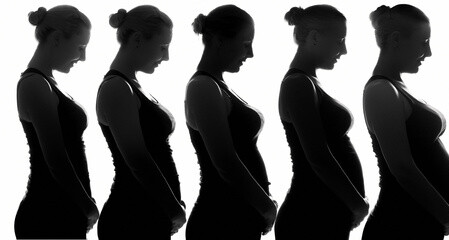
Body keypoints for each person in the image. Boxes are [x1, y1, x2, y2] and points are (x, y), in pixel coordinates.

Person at [361, 4, 449, 240]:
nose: (428, 53)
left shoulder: (397, 88)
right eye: (423, 42)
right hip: (398, 225)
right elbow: (402, 167)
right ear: (396, 39)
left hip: (417, 223)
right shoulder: (381, 90)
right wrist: (446, 214)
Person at [275, 5, 369, 240]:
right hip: (310, 216)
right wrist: (357, 203)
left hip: (324, 213)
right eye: (340, 40)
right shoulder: (298, 83)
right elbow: (317, 156)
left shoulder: (309, 82)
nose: (344, 50)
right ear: (315, 37)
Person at [185, 5, 277, 239]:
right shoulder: (203, 87)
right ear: (218, 41)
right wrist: (266, 206)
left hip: (236, 218)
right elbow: (225, 161)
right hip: (220, 221)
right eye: (246, 44)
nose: (251, 53)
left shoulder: (217, 86)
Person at [96, 5, 186, 239]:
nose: (166, 57)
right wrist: (173, 208)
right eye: (162, 47)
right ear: (137, 39)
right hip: (131, 218)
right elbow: (138, 159)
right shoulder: (116, 87)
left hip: (150, 214)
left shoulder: (133, 86)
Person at [15, 5, 97, 239]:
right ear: (58, 38)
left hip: (64, 211)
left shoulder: (47, 83)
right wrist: (87, 206)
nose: (82, 58)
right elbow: (56, 158)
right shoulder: (35, 84)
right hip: (47, 215)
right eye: (80, 48)